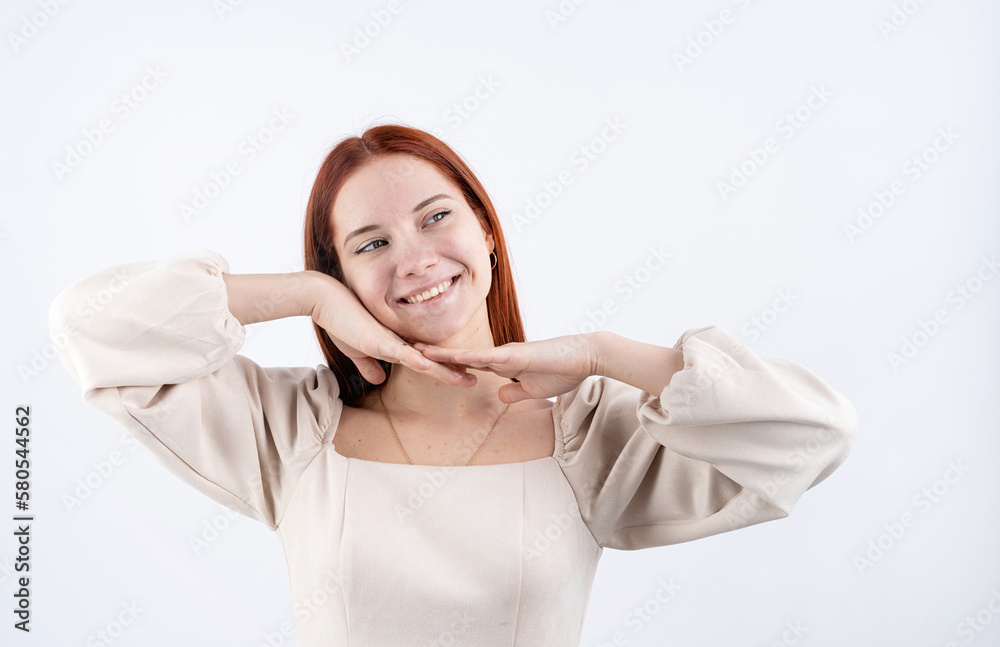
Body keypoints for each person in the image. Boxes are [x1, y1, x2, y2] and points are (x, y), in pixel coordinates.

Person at [48, 123, 858, 646]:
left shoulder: (591, 433)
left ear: (487, 234)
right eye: (369, 244)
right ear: (345, 278)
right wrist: (304, 295)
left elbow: (812, 433)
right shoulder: (289, 432)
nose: (415, 259)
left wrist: (608, 353)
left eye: (437, 218)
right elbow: (90, 324)